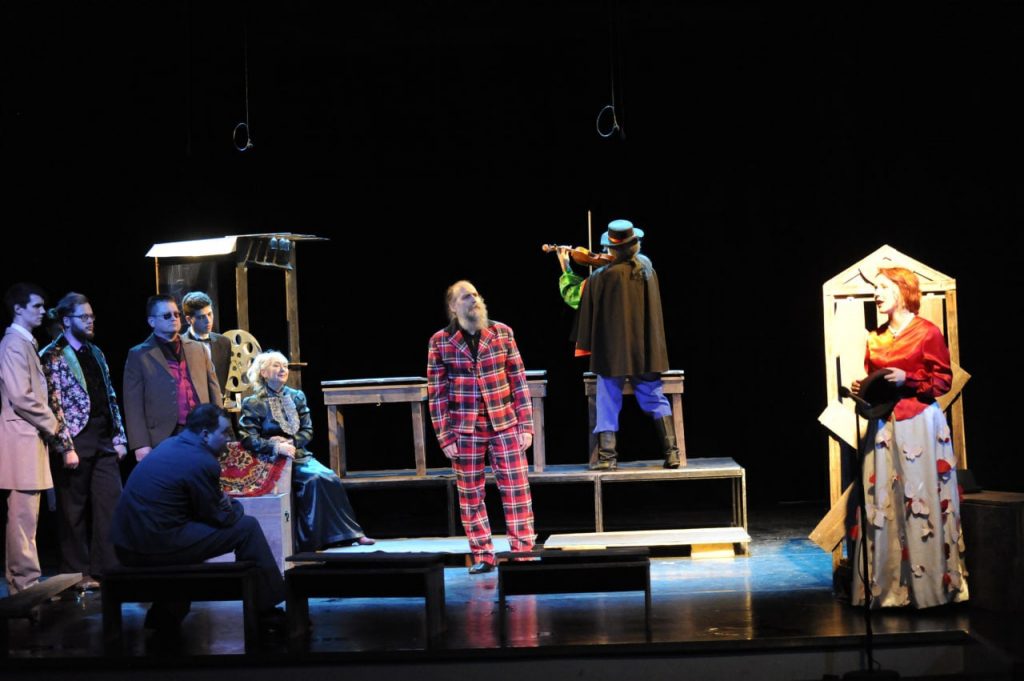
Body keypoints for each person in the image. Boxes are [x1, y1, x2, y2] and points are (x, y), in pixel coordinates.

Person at [850, 266, 968, 608]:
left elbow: (942, 381)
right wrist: (863, 387)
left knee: (921, 499)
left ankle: (929, 590)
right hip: (885, 425)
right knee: (885, 500)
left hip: (919, 423)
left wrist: (910, 378)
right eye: (876, 288)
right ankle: (890, 591)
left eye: (883, 288)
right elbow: (876, 381)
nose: (877, 294)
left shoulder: (926, 332)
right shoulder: (875, 338)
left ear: (903, 291)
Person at [111, 404, 285, 628]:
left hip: (125, 544)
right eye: (224, 432)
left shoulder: (169, 445)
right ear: (205, 434)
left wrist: (221, 504)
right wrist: (235, 506)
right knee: (247, 527)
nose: (228, 439)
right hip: (151, 545)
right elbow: (222, 517)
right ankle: (267, 609)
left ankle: (165, 615)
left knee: (192, 534)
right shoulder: (202, 460)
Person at [427, 280, 536, 573]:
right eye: (466, 297)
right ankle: (483, 555)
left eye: (475, 294)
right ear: (453, 306)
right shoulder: (440, 341)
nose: (474, 299)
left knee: (517, 490)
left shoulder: (502, 333)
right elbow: (437, 393)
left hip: (504, 423)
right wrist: (444, 435)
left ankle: (523, 553)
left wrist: (526, 425)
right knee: (471, 495)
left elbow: (519, 381)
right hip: (465, 428)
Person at [561, 219, 679, 470]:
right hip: (645, 350)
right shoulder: (646, 268)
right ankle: (672, 453)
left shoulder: (601, 277)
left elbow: (574, 297)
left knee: (607, 398)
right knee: (653, 395)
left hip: (612, 353)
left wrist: (565, 267)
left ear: (611, 249)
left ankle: (608, 458)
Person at [238, 351, 373, 552]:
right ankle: (313, 541)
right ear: (263, 373)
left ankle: (350, 534)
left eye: (285, 366)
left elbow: (308, 430)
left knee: (329, 476)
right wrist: (275, 446)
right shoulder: (253, 402)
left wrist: (292, 442)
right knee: (312, 480)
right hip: (271, 459)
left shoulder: (297, 396)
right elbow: (247, 438)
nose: (282, 369)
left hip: (298, 455)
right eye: (276, 365)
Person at [39, 293, 128, 590]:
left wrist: (119, 437)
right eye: (84, 317)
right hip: (76, 438)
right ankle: (75, 573)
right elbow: (54, 403)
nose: (90, 322)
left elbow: (109, 394)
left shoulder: (96, 352)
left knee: (110, 503)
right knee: (72, 510)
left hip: (102, 437)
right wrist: (66, 447)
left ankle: (107, 567)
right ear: (66, 321)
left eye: (91, 317)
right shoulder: (52, 355)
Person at [0, 283, 60, 594]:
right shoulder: (13, 343)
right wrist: (54, 424)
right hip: (20, 440)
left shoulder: (25, 342)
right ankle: (23, 586)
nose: (42, 311)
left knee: (28, 517)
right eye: (36, 306)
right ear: (18, 309)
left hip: (28, 437)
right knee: (22, 517)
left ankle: (27, 581)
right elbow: (21, 395)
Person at [123, 295, 222, 461]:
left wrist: (220, 426)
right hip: (164, 435)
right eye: (167, 315)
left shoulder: (198, 349)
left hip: (201, 431)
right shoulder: (139, 355)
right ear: (152, 321)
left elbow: (214, 390)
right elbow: (133, 404)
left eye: (176, 314)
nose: (174, 319)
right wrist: (141, 444)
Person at [182, 291, 232, 393]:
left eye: (209, 314)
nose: (208, 320)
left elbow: (222, 380)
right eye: (201, 317)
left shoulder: (224, 343)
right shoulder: (180, 345)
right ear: (189, 319)